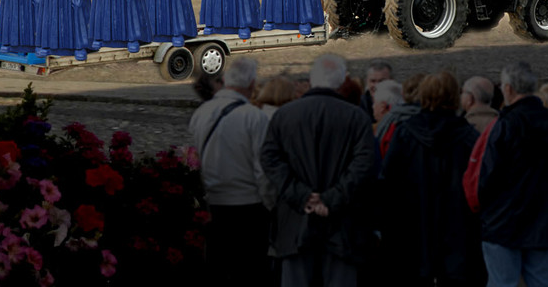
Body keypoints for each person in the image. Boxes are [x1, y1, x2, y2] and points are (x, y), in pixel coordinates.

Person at [261, 53, 377, 287]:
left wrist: (302, 196)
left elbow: (270, 159)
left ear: (313, 79)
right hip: (342, 225)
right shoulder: (357, 118)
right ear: (343, 80)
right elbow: (364, 165)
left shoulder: (285, 115)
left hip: (296, 222)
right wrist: (332, 198)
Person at [476, 61, 548, 287]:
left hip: (504, 224)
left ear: (509, 89)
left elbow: (487, 178)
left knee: (503, 282)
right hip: (545, 222)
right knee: (542, 282)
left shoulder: (504, 125)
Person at [380, 71, 481, 287]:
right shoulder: (469, 137)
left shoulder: (404, 134)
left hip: (412, 231)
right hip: (458, 231)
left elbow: (388, 183)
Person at [190, 56, 273, 270]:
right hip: (248, 208)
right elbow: (263, 170)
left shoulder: (201, 113)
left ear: (226, 79)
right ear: (252, 84)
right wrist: (271, 206)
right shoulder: (255, 117)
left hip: (214, 206)